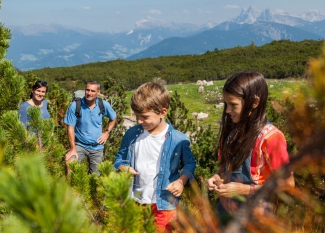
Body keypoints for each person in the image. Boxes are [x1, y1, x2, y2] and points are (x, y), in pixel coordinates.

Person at [207, 70, 295, 222]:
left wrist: (245, 189)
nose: (227, 111)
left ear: (254, 102)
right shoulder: (231, 133)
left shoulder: (271, 139)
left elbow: (287, 185)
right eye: (226, 104)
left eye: (233, 105)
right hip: (225, 214)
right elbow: (224, 167)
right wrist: (217, 176)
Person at [113, 82, 196, 233]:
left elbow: (189, 164)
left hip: (164, 203)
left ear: (162, 112)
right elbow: (119, 159)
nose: (139, 121)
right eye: (137, 116)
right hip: (134, 198)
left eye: (144, 117)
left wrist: (181, 181)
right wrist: (123, 167)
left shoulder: (178, 139)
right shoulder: (132, 135)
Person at [64, 80, 117, 175]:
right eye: (87, 90)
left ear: (98, 92)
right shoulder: (75, 106)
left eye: (92, 91)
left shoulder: (103, 105)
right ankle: (69, 189)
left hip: (97, 147)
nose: (89, 93)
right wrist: (72, 148)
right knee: (70, 164)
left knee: (95, 177)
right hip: (79, 145)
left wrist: (107, 132)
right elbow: (70, 127)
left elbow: (113, 118)